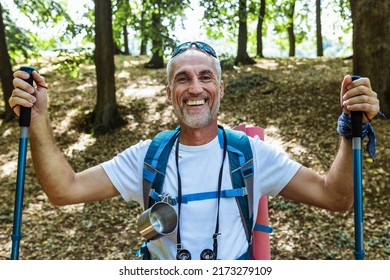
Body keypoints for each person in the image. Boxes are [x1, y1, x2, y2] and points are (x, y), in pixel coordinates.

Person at [9, 41, 380, 260]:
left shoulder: (250, 154)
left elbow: (335, 197)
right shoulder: (146, 157)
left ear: (220, 87)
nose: (195, 87)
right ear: (169, 92)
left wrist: (351, 131)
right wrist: (39, 117)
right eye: (182, 78)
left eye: (205, 77)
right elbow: (64, 190)